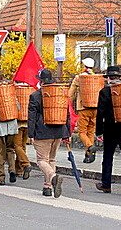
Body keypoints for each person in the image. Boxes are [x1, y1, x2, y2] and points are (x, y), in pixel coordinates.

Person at [28, 69, 70, 198]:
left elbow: (32, 116)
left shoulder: (35, 95)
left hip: (42, 130)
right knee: (52, 159)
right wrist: (67, 132)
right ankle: (47, 187)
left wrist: (31, 133)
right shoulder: (60, 94)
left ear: (41, 81)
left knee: (41, 160)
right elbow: (66, 113)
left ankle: (53, 177)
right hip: (58, 130)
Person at [95, 66, 121, 195]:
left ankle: (106, 184)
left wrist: (99, 131)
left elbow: (100, 113)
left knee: (108, 157)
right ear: (119, 78)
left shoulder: (105, 91)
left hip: (110, 128)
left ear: (108, 78)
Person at [69, 57, 98, 163]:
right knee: (90, 131)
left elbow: (71, 93)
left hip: (83, 108)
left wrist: (68, 102)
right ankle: (89, 155)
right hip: (95, 108)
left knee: (82, 132)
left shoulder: (79, 77)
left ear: (84, 66)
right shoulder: (96, 78)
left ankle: (90, 146)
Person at [14, 84, 32, 180]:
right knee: (23, 146)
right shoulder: (31, 90)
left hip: (18, 123)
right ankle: (19, 170)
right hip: (28, 122)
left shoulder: (15, 90)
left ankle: (25, 164)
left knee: (17, 146)